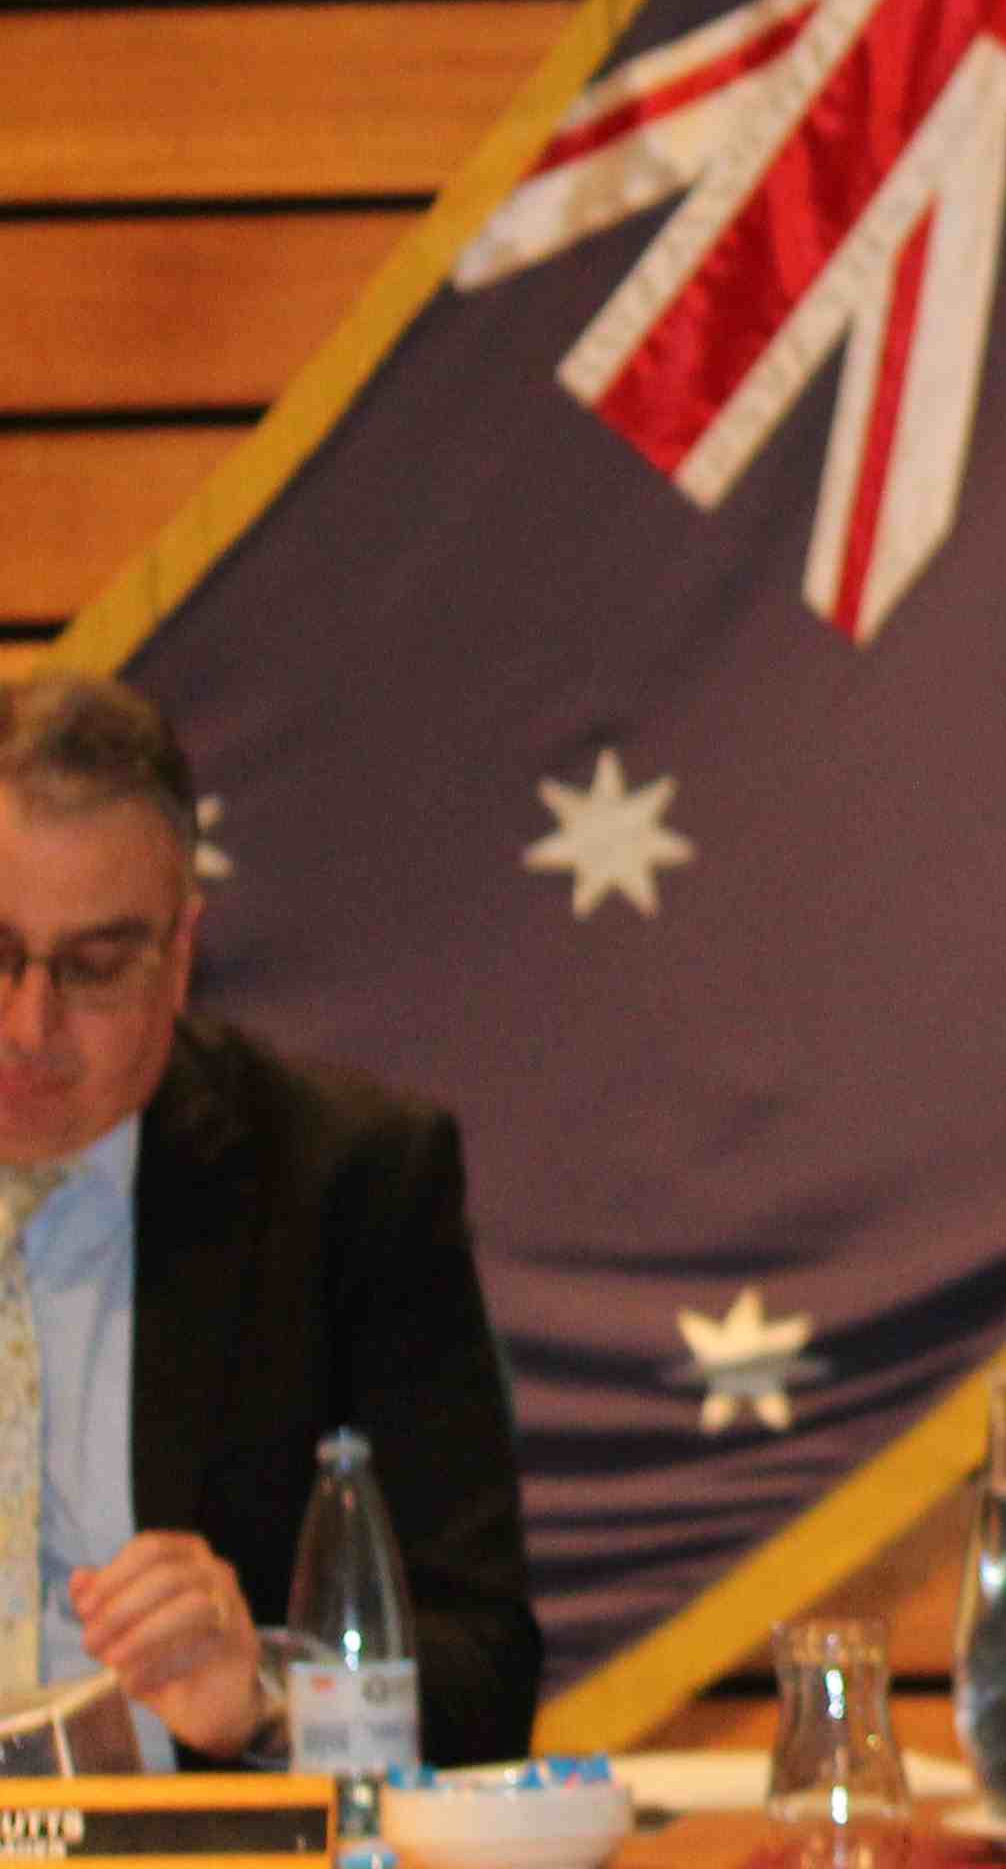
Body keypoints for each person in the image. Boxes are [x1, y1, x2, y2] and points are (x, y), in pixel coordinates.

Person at [0, 668, 538, 1769]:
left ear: (181, 956)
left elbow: (484, 1675)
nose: (29, 1023)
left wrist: (268, 1694)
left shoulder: (345, 1183)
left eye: (94, 968)